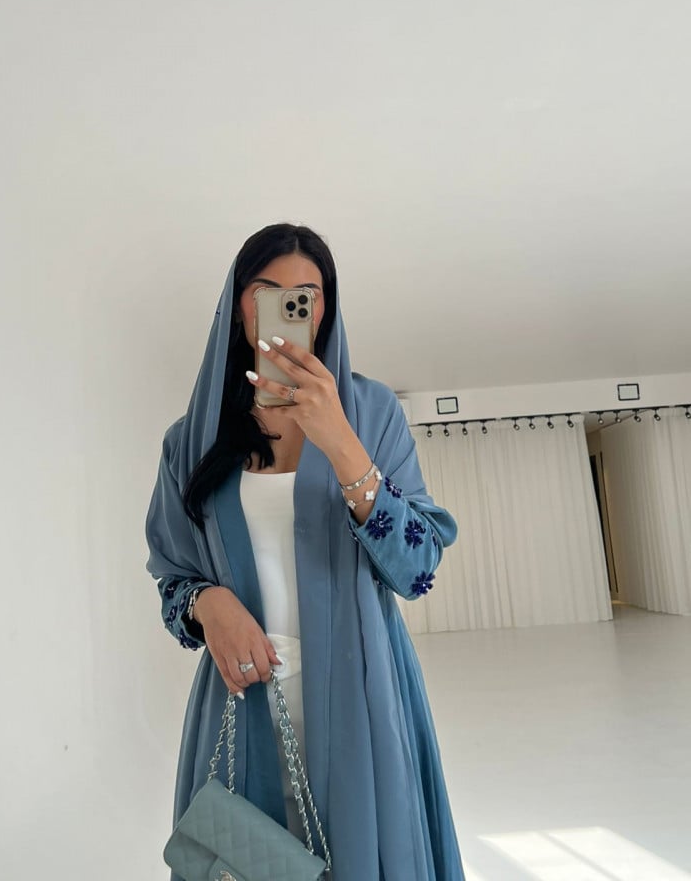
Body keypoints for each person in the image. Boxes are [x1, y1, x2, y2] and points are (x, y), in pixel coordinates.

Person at [145, 224, 465, 880]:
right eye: (267, 291)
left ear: (325, 309)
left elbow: (418, 568)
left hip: (361, 691)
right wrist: (209, 602)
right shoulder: (192, 438)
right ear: (238, 305)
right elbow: (173, 576)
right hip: (242, 694)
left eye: (307, 296)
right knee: (248, 862)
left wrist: (339, 440)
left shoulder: (370, 411)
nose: (290, 309)